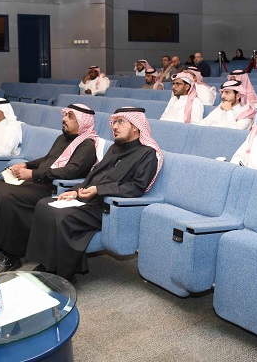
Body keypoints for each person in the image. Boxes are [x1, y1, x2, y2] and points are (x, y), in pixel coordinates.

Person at [26, 107, 163, 281]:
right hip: (89, 199)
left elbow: (136, 187)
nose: (114, 126)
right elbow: (94, 174)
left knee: (63, 216)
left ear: (136, 126)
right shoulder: (115, 148)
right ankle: (48, 264)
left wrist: (99, 190)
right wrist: (75, 191)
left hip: (107, 207)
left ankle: (63, 274)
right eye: (114, 122)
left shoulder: (147, 154)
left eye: (120, 122)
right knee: (44, 204)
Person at [0, 104, 100, 273]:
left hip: (54, 188)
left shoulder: (87, 145)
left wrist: (32, 174)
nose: (64, 119)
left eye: (70, 117)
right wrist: (26, 165)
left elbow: (69, 172)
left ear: (82, 122)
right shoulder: (63, 137)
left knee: (8, 197)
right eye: (65, 115)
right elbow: (47, 159)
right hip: (39, 180)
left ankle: (11, 255)